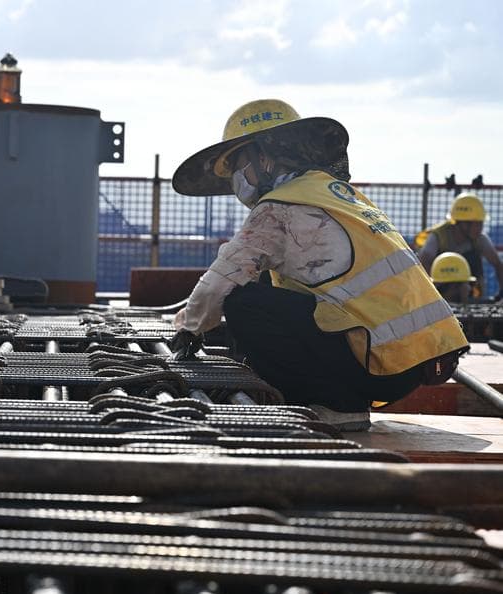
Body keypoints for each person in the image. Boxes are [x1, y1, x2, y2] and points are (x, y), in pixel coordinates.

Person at [170, 99, 469, 431]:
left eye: (239, 163)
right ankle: (335, 397)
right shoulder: (336, 194)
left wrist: (189, 329)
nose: (237, 179)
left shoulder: (279, 206)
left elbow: (220, 281)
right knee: (263, 285)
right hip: (417, 359)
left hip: (380, 362)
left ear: (264, 158)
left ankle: (335, 405)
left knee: (243, 303)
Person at [415, 193, 503, 301]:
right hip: (441, 286)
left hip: (468, 288)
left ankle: (475, 301)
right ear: (460, 223)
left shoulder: (479, 239)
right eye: (475, 224)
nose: (479, 228)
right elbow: (425, 261)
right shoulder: (439, 236)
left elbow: (498, 264)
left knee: (474, 258)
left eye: (480, 223)